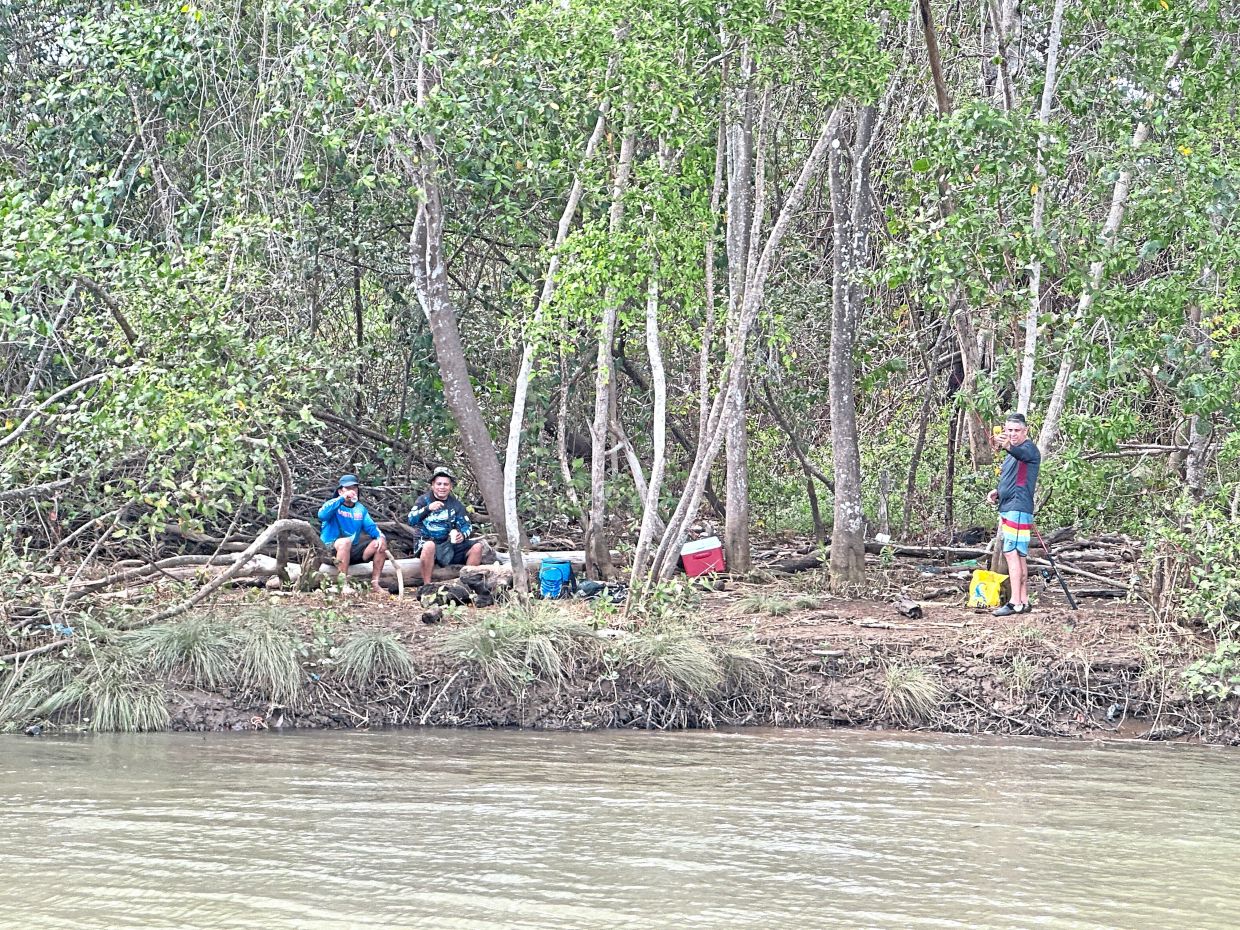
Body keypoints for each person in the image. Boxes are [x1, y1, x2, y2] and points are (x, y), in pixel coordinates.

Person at [986, 413, 1041, 616]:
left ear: (1025, 431)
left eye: (1016, 430)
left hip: (1018, 508)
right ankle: (1024, 600)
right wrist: (998, 492)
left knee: (1012, 554)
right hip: (1010, 506)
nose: (1012, 434)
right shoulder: (1012, 454)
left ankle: (1015, 602)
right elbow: (1015, 480)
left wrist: (1008, 445)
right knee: (1019, 556)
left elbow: (1022, 455)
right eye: (1009, 430)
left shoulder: (1027, 450)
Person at [407, 466, 483, 586]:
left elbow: (467, 526)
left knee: (477, 547)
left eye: (446, 484)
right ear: (433, 485)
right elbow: (411, 520)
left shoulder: (456, 505)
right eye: (439, 484)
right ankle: (427, 585)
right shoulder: (423, 500)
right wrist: (427, 509)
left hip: (448, 545)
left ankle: (466, 585)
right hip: (426, 543)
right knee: (429, 546)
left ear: (450, 486)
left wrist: (462, 535)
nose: (442, 487)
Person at [318, 474, 388, 594]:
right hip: (329, 549)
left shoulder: (360, 509)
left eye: (354, 488)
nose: (352, 491)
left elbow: (371, 527)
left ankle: (375, 584)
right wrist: (342, 498)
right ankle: (343, 584)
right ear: (340, 491)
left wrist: (380, 537)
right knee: (345, 542)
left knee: (379, 543)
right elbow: (322, 515)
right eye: (348, 488)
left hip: (351, 550)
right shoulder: (333, 504)